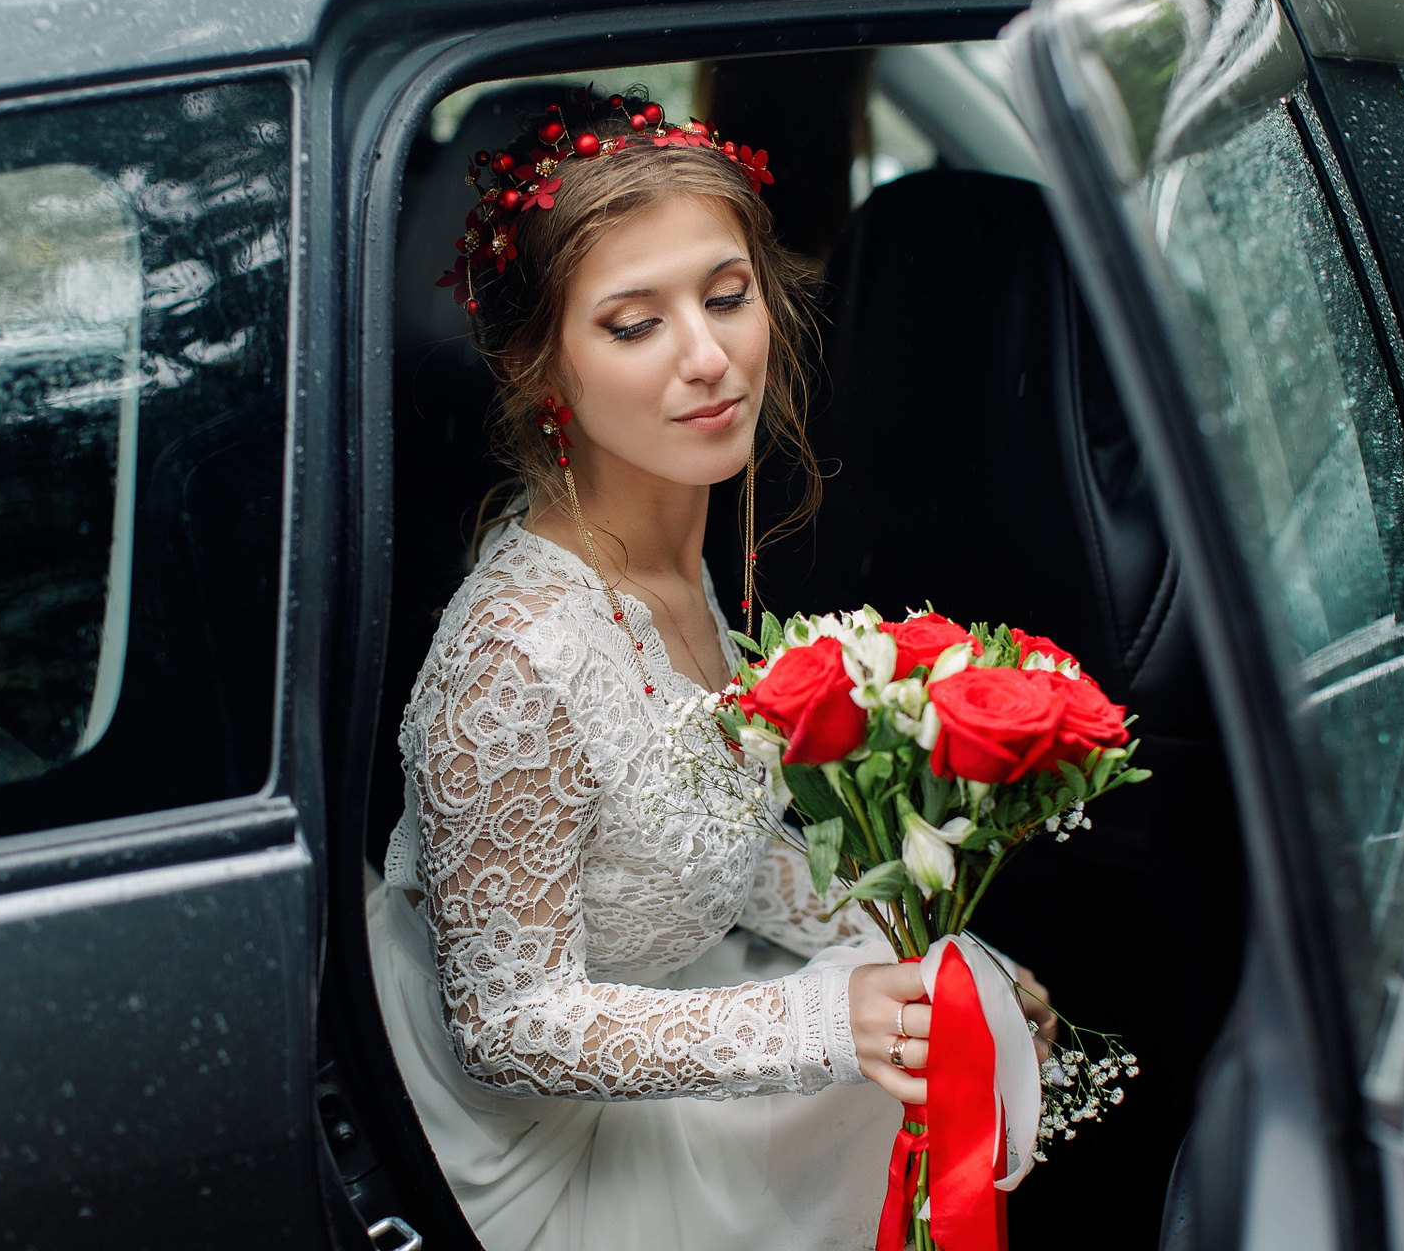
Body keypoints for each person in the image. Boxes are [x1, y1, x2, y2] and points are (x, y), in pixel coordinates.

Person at [366, 87, 1053, 1251]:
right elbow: (506, 1021)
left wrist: (922, 958)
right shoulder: (517, 659)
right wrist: (829, 1019)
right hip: (529, 1154)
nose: (708, 357)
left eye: (728, 297)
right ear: (542, 369)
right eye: (635, 324)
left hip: (654, 1010)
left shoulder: (670, 556)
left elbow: (706, 841)